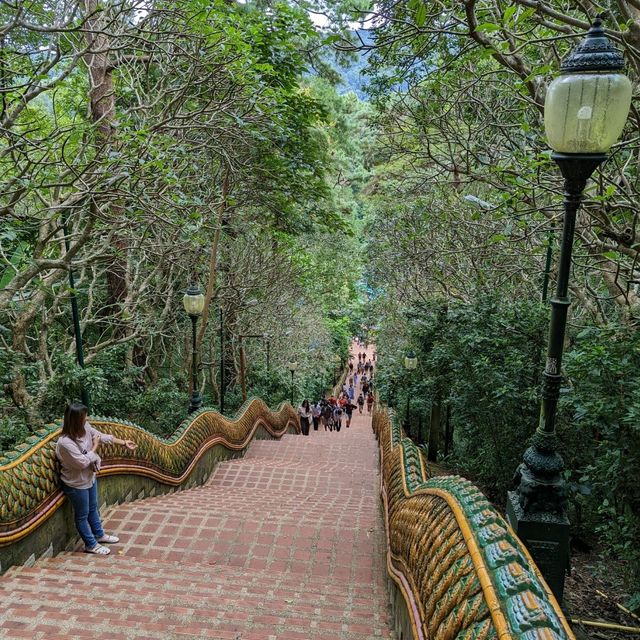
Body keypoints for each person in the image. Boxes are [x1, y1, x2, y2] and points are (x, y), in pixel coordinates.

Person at [56, 402, 137, 556]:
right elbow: (82, 462)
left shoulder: (85, 427)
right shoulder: (65, 443)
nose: (86, 419)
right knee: (82, 515)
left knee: (93, 508)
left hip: (90, 477)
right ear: (75, 420)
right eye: (83, 417)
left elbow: (101, 436)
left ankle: (99, 535)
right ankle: (91, 544)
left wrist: (123, 443)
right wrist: (95, 446)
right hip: (76, 483)